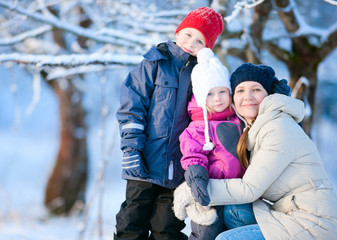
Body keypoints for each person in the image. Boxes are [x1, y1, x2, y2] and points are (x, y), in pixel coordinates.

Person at [174, 63, 337, 240]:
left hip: (311, 224)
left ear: (268, 95)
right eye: (240, 90)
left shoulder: (278, 127)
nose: (247, 97)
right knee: (234, 210)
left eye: (256, 89)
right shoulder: (253, 129)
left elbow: (249, 189)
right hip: (287, 214)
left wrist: (194, 190)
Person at [114, 7, 224, 240]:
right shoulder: (154, 63)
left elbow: (224, 99)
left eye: (200, 41)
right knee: (131, 223)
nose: (191, 43)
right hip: (144, 163)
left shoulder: (204, 75)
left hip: (178, 169)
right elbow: (132, 107)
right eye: (188, 35)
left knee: (168, 228)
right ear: (178, 32)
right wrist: (131, 148)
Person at [173, 48, 244, 240]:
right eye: (210, 94)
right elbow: (192, 154)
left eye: (222, 91)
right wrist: (197, 176)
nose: (218, 98)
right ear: (200, 97)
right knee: (206, 234)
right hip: (210, 193)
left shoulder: (239, 120)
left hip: (239, 193)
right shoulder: (198, 127)